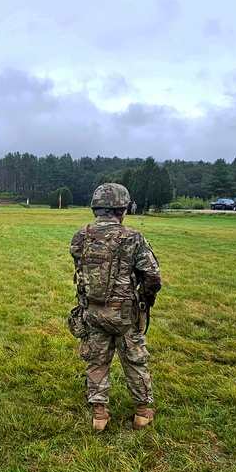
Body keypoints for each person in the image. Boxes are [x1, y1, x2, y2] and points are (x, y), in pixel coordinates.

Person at [69, 183, 161, 431]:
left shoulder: (81, 235)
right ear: (122, 208)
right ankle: (142, 413)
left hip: (92, 310)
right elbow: (152, 275)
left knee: (96, 361)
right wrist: (146, 298)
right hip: (124, 313)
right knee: (135, 361)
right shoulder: (132, 238)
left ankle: (99, 415)